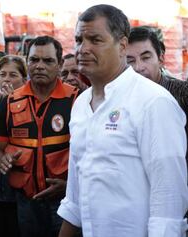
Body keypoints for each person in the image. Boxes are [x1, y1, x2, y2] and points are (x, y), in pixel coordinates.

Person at [57, 5, 188, 237]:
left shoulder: (153, 102)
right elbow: (76, 194)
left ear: (122, 45)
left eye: (95, 39)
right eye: (79, 40)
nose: (83, 49)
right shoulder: (80, 105)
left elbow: (168, 199)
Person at [0, 36, 78, 237]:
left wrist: (70, 187)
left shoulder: (75, 99)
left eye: (47, 61)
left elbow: (88, 155)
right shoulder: (10, 101)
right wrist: (2, 159)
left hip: (65, 200)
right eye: (34, 60)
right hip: (26, 199)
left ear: (59, 65)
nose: (39, 66)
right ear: (27, 62)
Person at [127, 26, 188, 161]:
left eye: (146, 58)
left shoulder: (183, 93)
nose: (138, 67)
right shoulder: (119, 98)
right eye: (130, 61)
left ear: (160, 59)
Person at [0, 55, 28, 237]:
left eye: (13, 75)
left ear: (24, 79)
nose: (7, 79)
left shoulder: (30, 105)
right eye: (2, 74)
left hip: (19, 187)